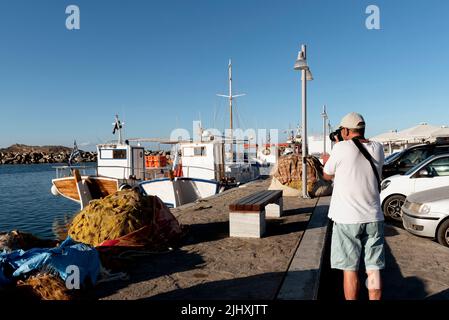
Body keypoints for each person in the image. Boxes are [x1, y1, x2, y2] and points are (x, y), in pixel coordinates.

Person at [323, 112, 385, 300]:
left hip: (346, 219)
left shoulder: (341, 148)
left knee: (350, 271)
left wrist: (335, 147)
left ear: (346, 130)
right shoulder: (378, 147)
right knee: (373, 270)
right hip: (373, 217)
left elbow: (327, 174)